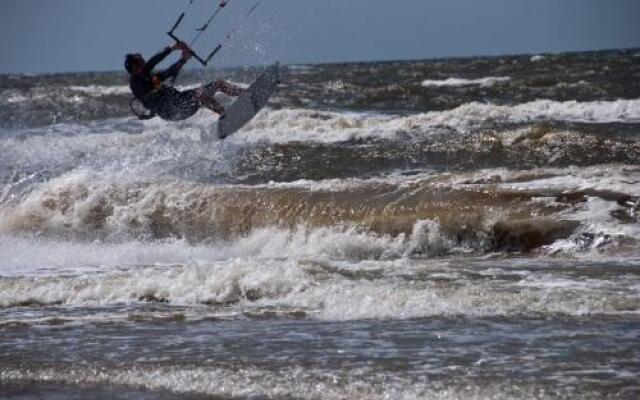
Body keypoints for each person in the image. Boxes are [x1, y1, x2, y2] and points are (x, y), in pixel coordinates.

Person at [125, 42, 243, 121]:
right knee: (199, 95)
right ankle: (227, 117)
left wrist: (181, 58)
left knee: (218, 84)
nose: (145, 63)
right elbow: (156, 65)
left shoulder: (148, 75)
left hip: (181, 100)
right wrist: (173, 50)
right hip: (173, 111)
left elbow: (169, 72)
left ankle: (247, 94)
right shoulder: (137, 82)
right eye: (142, 62)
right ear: (135, 67)